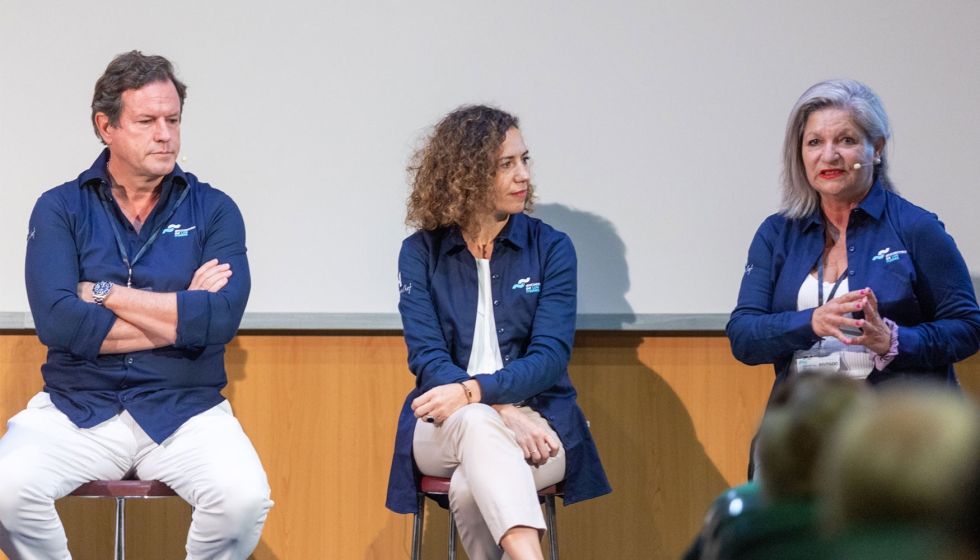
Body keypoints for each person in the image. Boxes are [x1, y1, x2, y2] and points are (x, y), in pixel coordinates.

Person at [0, 51, 272, 559]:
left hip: (185, 408)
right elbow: (59, 323)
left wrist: (105, 294)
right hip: (77, 405)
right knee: (5, 491)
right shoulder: (60, 207)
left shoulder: (214, 209)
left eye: (173, 120)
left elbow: (223, 318)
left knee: (243, 500)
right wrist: (185, 312)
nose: (165, 134)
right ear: (106, 126)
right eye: (147, 121)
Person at [385, 105, 610, 560]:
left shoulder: (552, 248)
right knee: (475, 420)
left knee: (471, 488)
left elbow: (549, 358)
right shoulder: (419, 253)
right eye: (505, 164)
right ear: (464, 175)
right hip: (444, 421)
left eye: (524, 160)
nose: (523, 175)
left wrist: (479, 395)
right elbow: (427, 358)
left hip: (540, 421)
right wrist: (496, 405)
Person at [727, 78, 980, 398]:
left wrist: (893, 341)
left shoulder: (916, 228)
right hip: (803, 426)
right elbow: (744, 337)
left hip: (895, 428)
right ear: (800, 152)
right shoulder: (776, 233)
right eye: (815, 142)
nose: (829, 155)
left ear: (876, 149)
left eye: (845, 140)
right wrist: (812, 323)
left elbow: (968, 328)